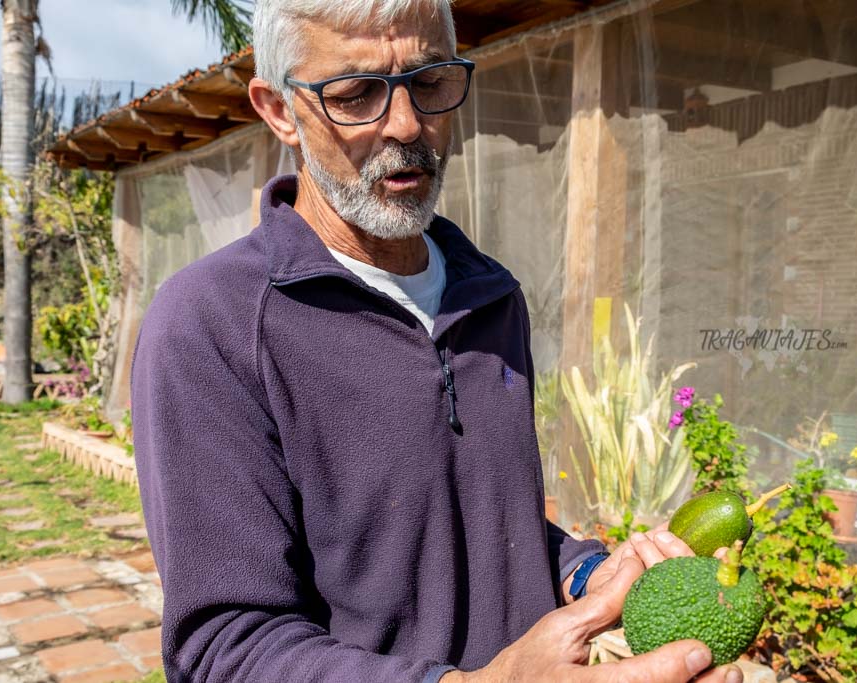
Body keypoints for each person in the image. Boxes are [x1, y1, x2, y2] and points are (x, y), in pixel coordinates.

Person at [131, 2, 743, 681]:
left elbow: (476, 525)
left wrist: (589, 571)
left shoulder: (490, 297)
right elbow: (226, 646)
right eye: (356, 93)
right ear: (279, 111)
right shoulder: (211, 326)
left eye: (429, 81)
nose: (406, 124)